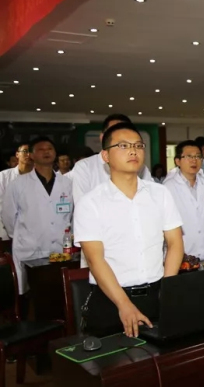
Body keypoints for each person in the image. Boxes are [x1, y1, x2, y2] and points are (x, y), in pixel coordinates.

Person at [73, 122, 184, 337]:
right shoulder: (90, 203)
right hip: (111, 300)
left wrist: (167, 290)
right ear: (105, 156)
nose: (133, 151)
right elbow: (95, 260)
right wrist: (123, 304)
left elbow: (175, 243)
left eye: (138, 145)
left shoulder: (160, 194)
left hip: (156, 295)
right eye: (123, 146)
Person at [2, 137, 73, 295]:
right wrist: (23, 236)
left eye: (50, 149)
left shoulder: (67, 183)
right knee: (32, 295)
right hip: (30, 249)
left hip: (59, 250)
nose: (46, 152)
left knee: (58, 293)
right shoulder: (18, 184)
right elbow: (8, 217)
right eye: (41, 149)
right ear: (32, 155)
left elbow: (70, 215)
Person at [163, 141, 204, 259]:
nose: (194, 160)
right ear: (177, 161)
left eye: (198, 156)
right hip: (182, 256)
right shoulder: (168, 187)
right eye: (189, 157)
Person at [72, 114, 153, 204]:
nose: (132, 151)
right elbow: (82, 205)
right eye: (123, 145)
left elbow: (150, 200)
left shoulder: (142, 169)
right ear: (102, 137)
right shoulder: (84, 167)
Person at [0, 143, 33, 241]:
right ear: (17, 154)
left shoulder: (39, 177)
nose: (28, 154)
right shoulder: (3, 176)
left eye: (31, 152)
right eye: (25, 151)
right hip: (5, 230)